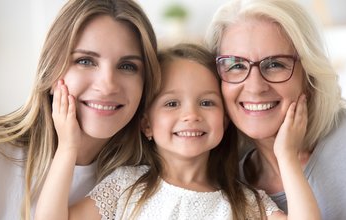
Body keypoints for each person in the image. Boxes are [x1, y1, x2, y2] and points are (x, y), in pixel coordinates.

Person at [35, 43, 320, 220]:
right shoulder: (124, 187)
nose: (191, 115)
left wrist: (287, 156)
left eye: (207, 102)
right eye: (171, 103)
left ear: (226, 119)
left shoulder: (247, 204)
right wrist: (67, 147)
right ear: (146, 123)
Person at [205, 0, 346, 219]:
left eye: (275, 64)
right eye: (236, 65)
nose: (255, 87)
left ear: (310, 76)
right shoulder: (228, 191)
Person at [0, 0, 160, 219]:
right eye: (86, 61)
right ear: (51, 71)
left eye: (127, 66)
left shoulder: (144, 180)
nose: (107, 85)